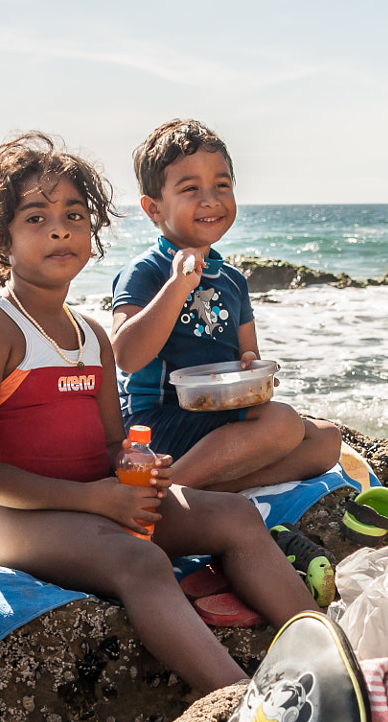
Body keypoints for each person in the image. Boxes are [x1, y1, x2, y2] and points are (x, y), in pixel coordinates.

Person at [0, 133, 320, 694]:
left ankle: (324, 659)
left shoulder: (93, 337)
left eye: (74, 215)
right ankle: (237, 704)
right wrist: (92, 498)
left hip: (97, 501)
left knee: (235, 518)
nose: (59, 229)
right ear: (1, 239)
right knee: (140, 561)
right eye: (36, 217)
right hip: (9, 520)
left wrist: (134, 465)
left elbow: (109, 446)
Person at [109, 119, 341, 491]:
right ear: (154, 208)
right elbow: (126, 355)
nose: (210, 199)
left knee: (327, 440)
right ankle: (167, 493)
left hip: (216, 418)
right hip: (157, 423)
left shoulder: (233, 280)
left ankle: (207, 489)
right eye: (190, 189)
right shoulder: (146, 271)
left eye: (222, 185)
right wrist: (177, 285)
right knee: (281, 424)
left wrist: (254, 372)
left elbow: (247, 358)